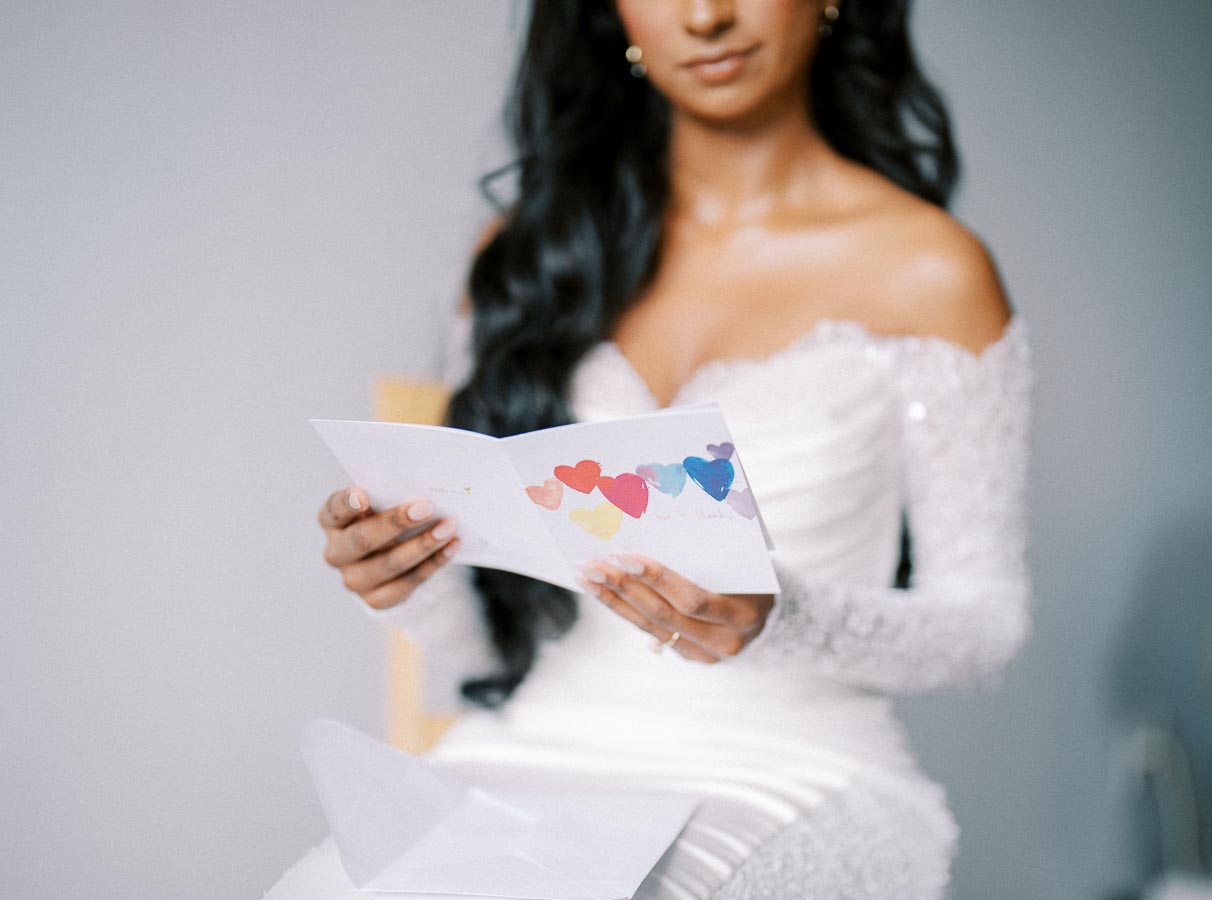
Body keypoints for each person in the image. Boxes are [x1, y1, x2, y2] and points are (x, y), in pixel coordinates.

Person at [268, 0, 1034, 896]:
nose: (705, 16)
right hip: (531, 746)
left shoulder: (931, 270)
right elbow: (482, 653)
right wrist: (405, 579)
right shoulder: (530, 257)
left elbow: (987, 627)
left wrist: (781, 616)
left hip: (795, 765)